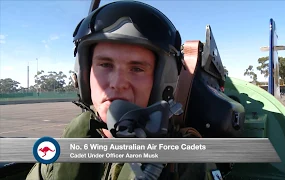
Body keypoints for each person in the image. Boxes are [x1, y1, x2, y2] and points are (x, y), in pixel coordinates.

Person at [26, 1, 216, 179]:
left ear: (163, 82)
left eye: (137, 69)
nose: (117, 83)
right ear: (84, 75)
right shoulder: (60, 151)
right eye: (105, 64)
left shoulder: (186, 163)